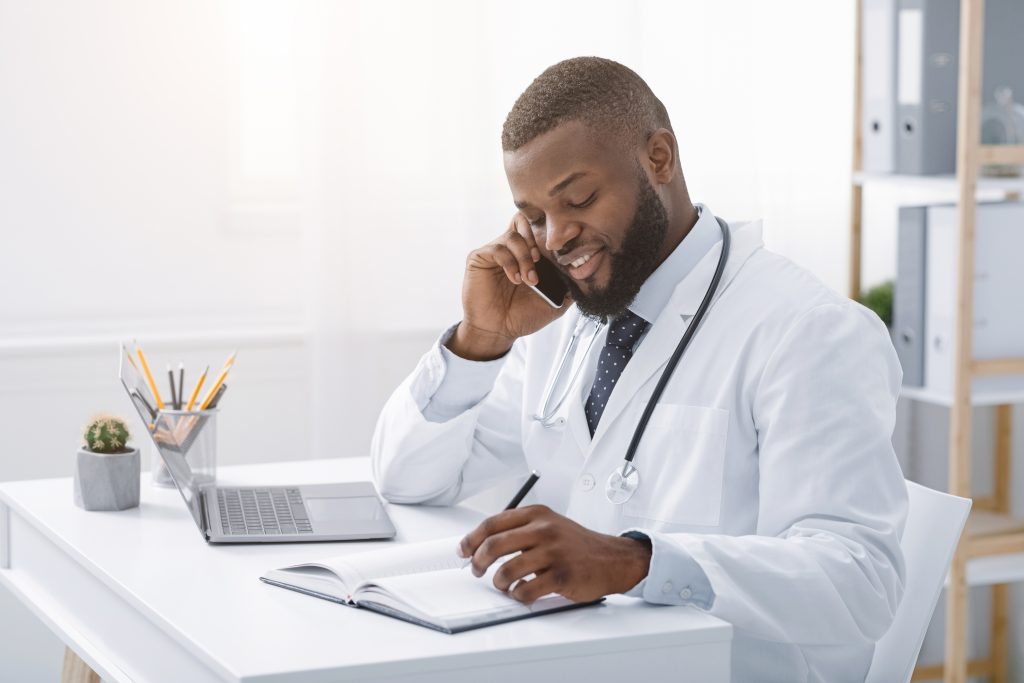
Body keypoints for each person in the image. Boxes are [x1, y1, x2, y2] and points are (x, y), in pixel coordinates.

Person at [370, 56, 906, 682]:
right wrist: (479, 340)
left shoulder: (807, 330)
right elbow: (408, 481)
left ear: (659, 158)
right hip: (580, 661)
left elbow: (860, 578)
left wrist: (636, 562)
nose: (559, 238)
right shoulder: (565, 320)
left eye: (579, 199)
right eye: (536, 217)